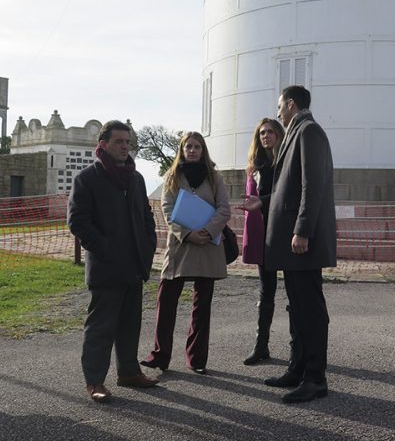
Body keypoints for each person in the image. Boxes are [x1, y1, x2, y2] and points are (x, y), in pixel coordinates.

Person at [240, 85, 336, 403]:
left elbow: (313, 185)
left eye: (280, 106)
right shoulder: (296, 132)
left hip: (302, 242)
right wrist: (262, 202)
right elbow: (288, 190)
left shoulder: (309, 132)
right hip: (294, 243)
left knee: (309, 309)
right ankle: (297, 369)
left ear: (291, 104)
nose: (278, 111)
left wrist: (303, 230)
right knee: (297, 308)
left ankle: (315, 378)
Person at [68, 120, 159, 403]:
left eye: (128, 142)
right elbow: (78, 223)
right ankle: (94, 381)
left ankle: (129, 373)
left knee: (130, 324)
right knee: (101, 328)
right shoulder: (87, 179)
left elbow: (146, 218)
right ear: (103, 145)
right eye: (119, 142)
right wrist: (106, 249)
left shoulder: (136, 178)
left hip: (134, 267)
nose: (124, 147)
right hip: (106, 268)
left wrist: (147, 246)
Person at [141, 132, 230, 375]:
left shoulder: (215, 178)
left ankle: (197, 359)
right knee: (166, 301)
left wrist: (207, 231)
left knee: (202, 307)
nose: (192, 150)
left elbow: (224, 208)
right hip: (181, 246)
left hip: (208, 245)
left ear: (203, 150)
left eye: (197, 147)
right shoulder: (172, 176)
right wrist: (188, 234)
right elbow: (168, 210)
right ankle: (160, 355)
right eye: (188, 146)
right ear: (182, 149)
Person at [241, 118, 289, 365]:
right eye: (262, 133)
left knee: (294, 293)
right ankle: (261, 346)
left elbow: (289, 193)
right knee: (266, 290)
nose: (266, 136)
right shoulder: (255, 166)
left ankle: (298, 347)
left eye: (270, 132)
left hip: (284, 231)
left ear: (279, 134)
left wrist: (263, 201)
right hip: (263, 234)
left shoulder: (286, 162)